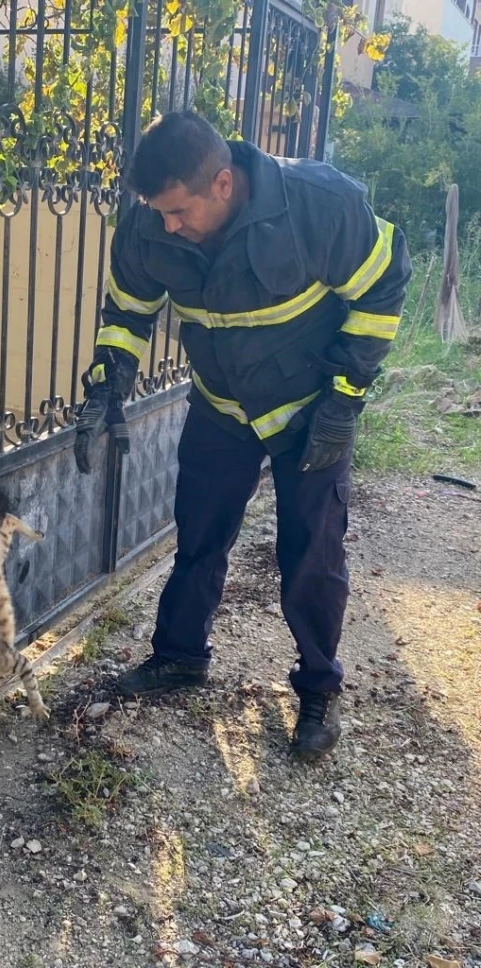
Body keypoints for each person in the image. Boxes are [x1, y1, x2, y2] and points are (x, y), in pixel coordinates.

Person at [73, 111, 411, 761]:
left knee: (312, 556)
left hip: (309, 410)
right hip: (222, 407)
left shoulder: (320, 205)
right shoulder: (149, 225)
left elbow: (383, 287)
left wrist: (345, 398)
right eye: (158, 212)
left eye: (177, 211)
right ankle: (178, 657)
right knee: (197, 536)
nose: (166, 225)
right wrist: (107, 385)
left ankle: (318, 691)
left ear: (222, 184)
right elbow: (127, 312)